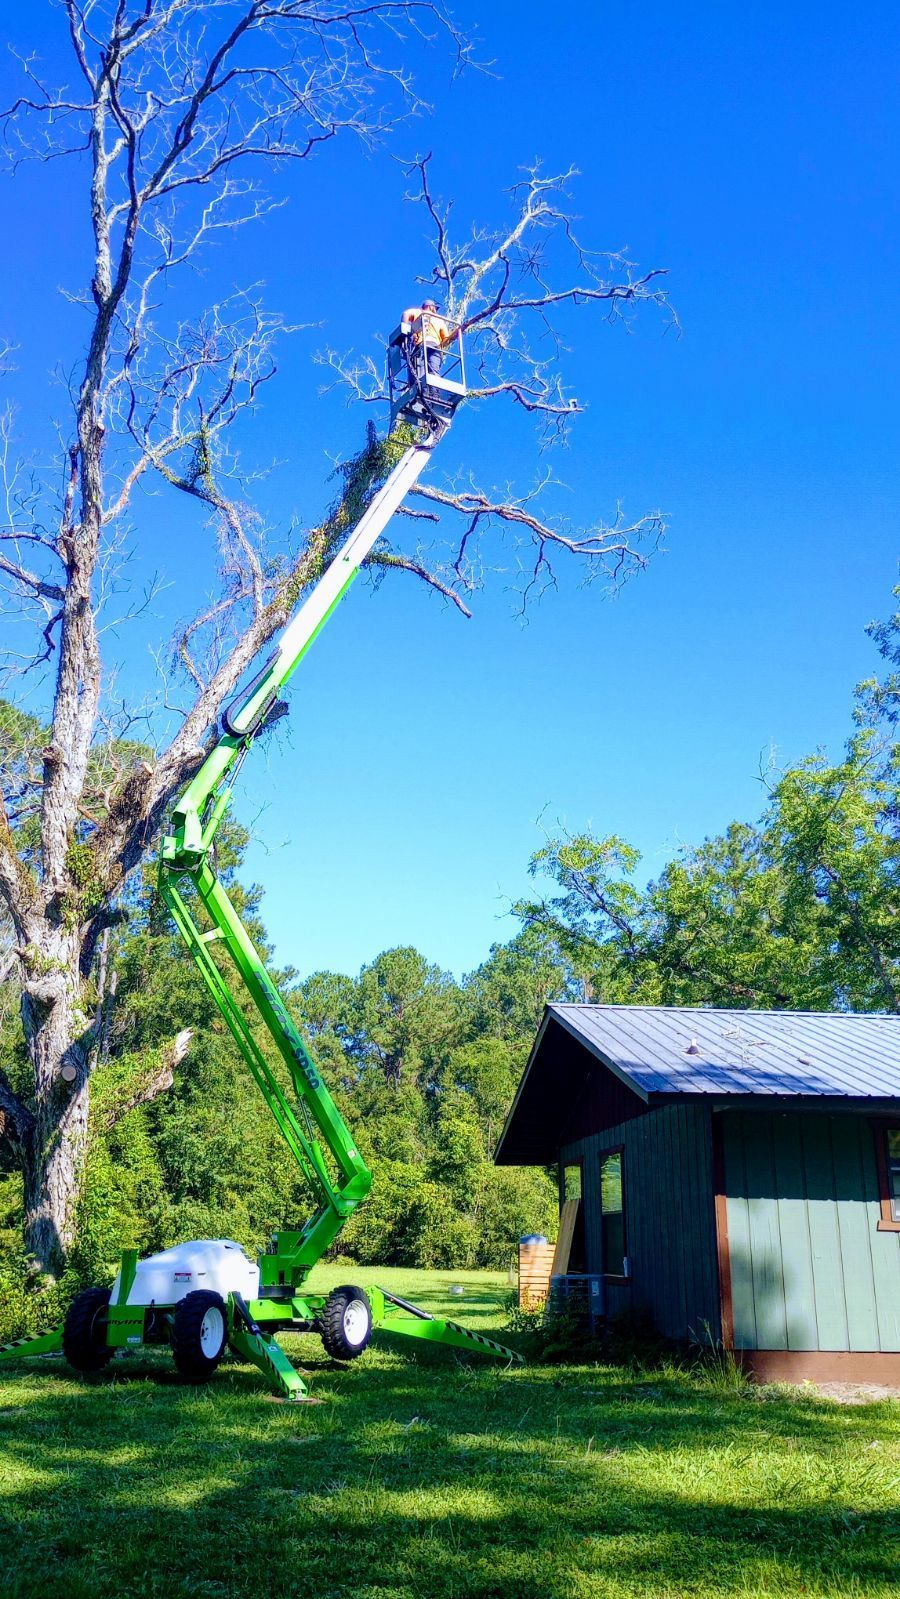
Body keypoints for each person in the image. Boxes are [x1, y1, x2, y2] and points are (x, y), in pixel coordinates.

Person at [402, 296, 451, 379]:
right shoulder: (422, 313)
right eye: (435, 308)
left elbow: (406, 314)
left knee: (421, 373)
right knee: (433, 371)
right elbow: (446, 339)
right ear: (430, 306)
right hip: (430, 347)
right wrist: (407, 333)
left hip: (427, 347)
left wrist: (406, 332)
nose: (435, 311)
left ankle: (427, 390)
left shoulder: (422, 314)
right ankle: (431, 390)